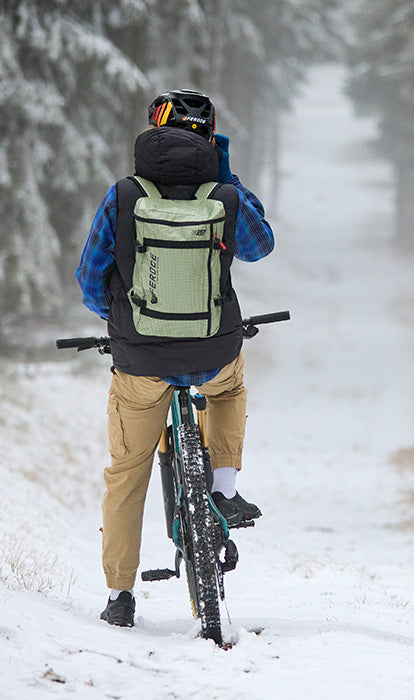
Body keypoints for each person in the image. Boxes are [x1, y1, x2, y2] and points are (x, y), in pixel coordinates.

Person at [76, 89, 274, 628]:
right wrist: (229, 182)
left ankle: (120, 596)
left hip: (138, 359)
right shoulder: (223, 194)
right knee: (228, 389)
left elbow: (90, 278)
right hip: (214, 350)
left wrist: (120, 323)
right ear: (211, 138)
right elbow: (261, 246)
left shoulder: (123, 195)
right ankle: (224, 490)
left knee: (127, 474)